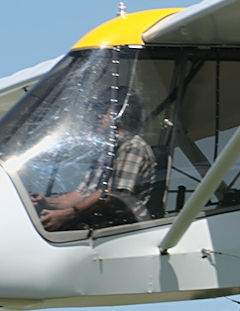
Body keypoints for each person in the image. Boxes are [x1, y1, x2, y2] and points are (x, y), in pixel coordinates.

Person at [33, 91, 155, 231]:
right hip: (100, 226)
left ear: (121, 114)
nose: (97, 116)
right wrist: (45, 202)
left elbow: (113, 195)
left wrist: (67, 215)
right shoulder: (104, 151)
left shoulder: (133, 147)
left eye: (103, 111)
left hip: (124, 230)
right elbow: (80, 194)